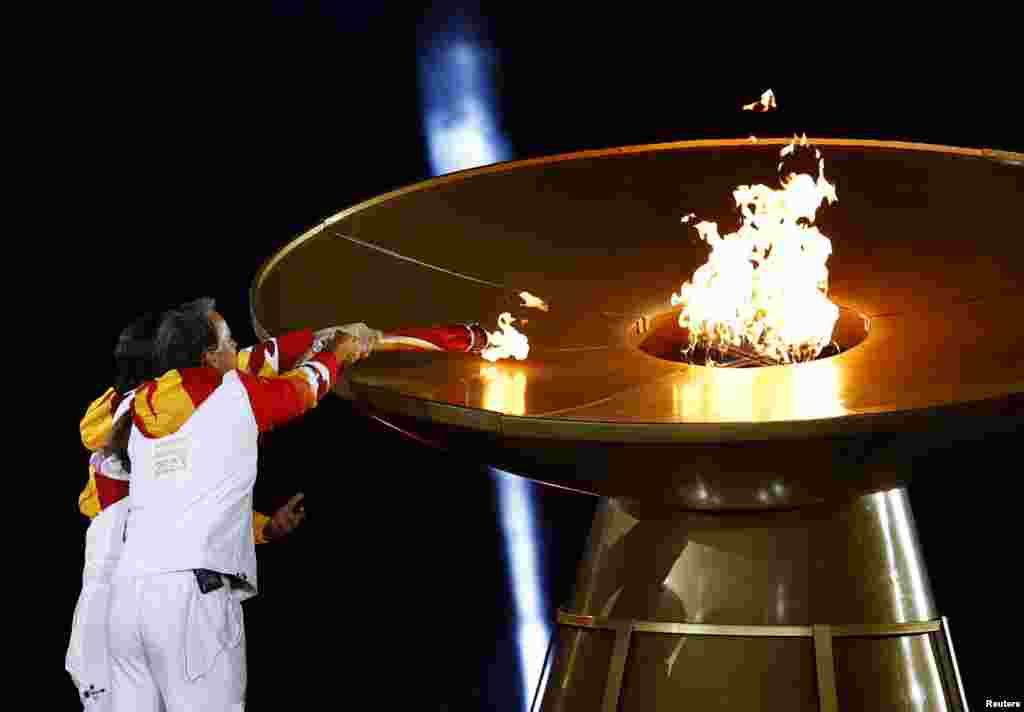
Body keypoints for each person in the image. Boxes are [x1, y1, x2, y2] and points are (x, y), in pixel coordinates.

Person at [106, 298, 374, 711]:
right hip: (190, 604)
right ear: (209, 356)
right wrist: (337, 353)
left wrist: (264, 529)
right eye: (230, 342)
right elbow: (301, 390)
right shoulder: (231, 394)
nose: (238, 351)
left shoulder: (141, 405)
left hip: (126, 603)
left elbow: (182, 498)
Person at [68, 312, 311, 710]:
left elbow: (181, 509)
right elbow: (252, 362)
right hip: (157, 599)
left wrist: (266, 528)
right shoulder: (160, 410)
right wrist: (327, 345)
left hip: (120, 608)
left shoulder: (127, 417)